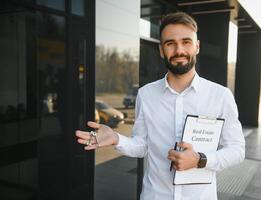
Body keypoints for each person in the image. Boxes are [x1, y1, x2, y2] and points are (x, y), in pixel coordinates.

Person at [76, 12, 245, 200]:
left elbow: (237, 150)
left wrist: (200, 160)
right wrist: (116, 138)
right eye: (170, 43)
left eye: (186, 42)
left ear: (197, 47)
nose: (179, 50)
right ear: (161, 50)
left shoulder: (220, 96)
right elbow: (141, 146)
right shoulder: (146, 94)